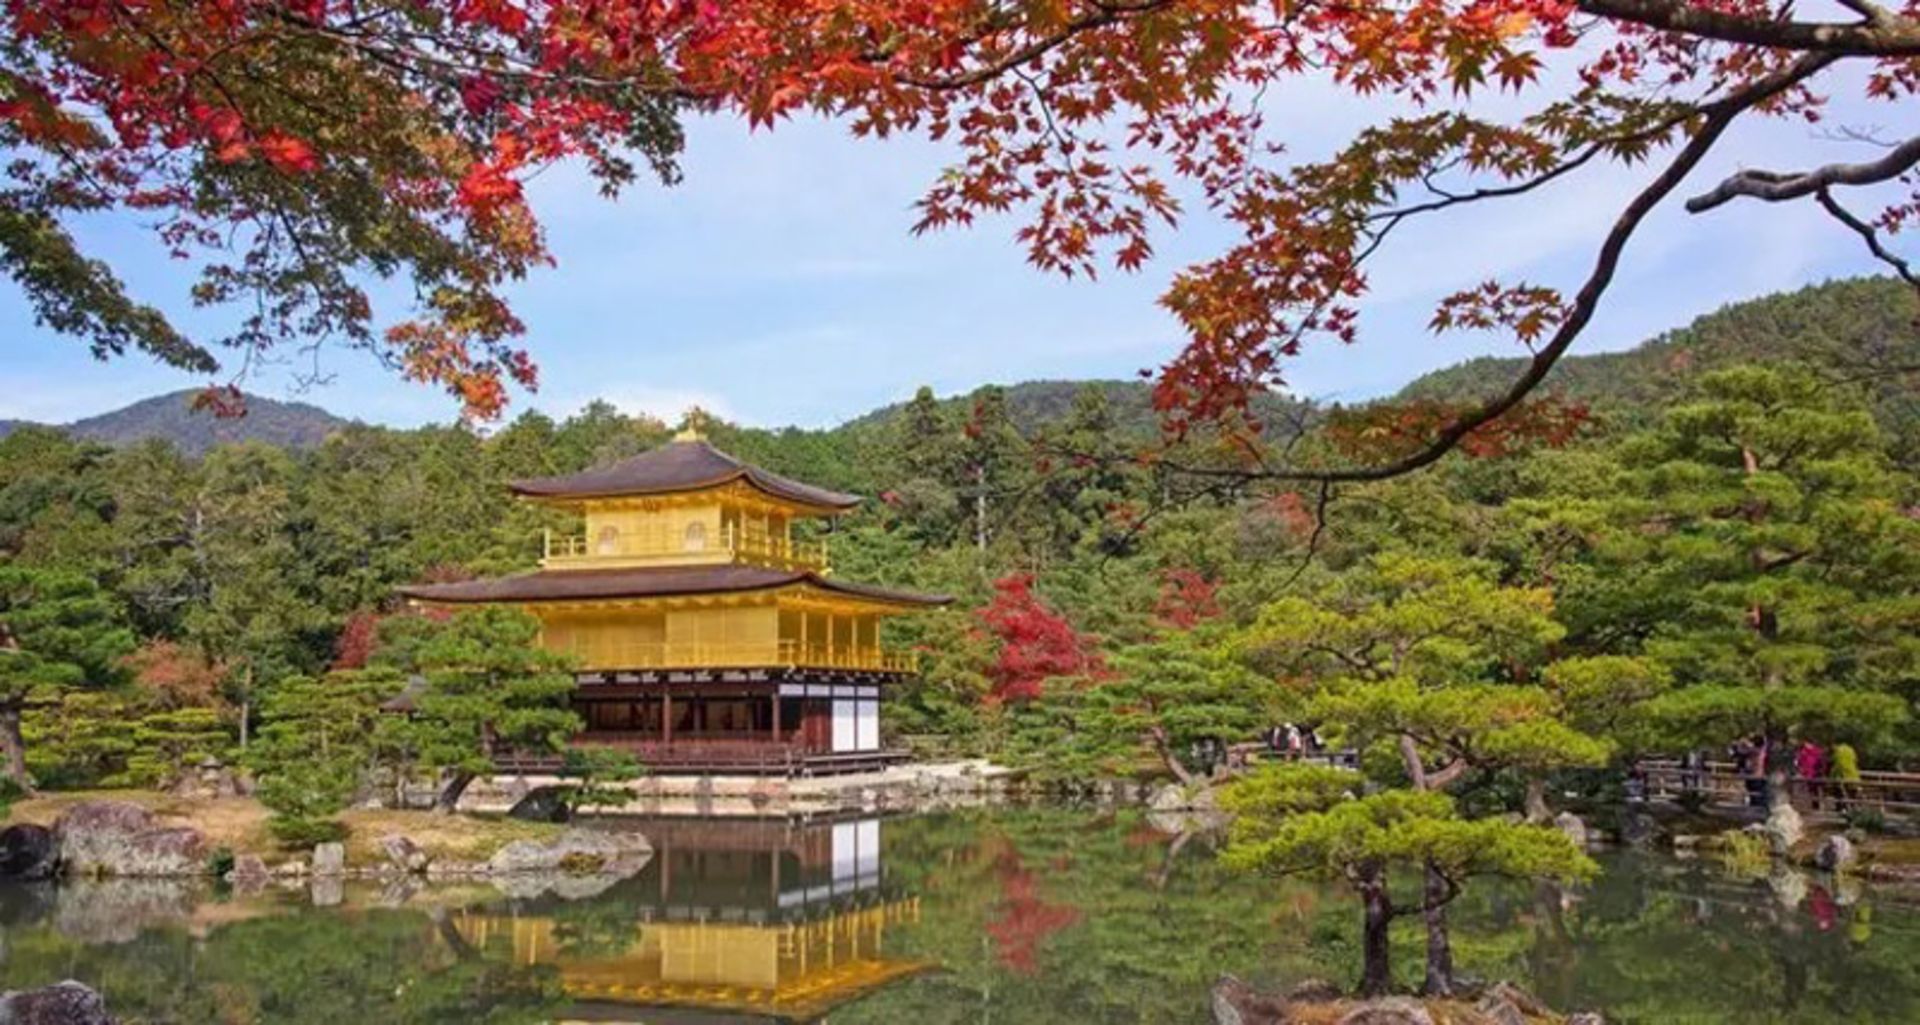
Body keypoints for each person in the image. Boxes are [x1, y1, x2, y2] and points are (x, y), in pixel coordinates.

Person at [1796, 739, 1827, 810]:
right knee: (1813, 790)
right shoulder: (1813, 751)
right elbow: (1799, 762)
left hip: (1812, 774)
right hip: (1810, 774)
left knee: (1814, 790)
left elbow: (1799, 762)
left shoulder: (1805, 752)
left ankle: (1815, 805)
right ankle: (1815, 805)